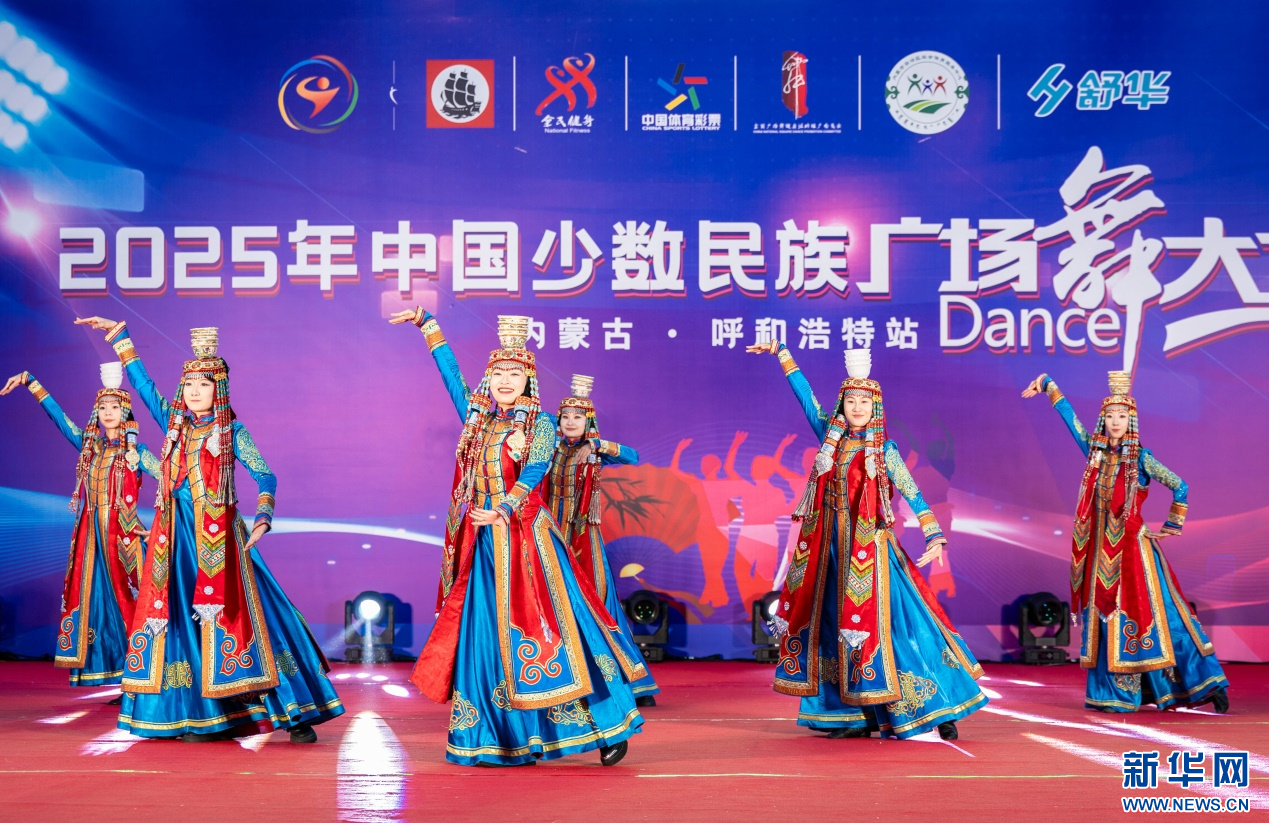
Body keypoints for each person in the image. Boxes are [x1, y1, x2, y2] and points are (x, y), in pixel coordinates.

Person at [391, 309, 646, 766]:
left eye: (514, 373)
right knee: (484, 637)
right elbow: (452, 379)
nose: (505, 381)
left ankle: (607, 726)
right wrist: (429, 326)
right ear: (488, 380)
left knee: (560, 632)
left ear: (528, 381)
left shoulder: (541, 424)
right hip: (485, 545)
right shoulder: (479, 420)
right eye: (498, 373)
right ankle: (496, 736)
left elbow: (536, 468)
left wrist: (505, 507)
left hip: (530, 541)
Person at [75, 317, 344, 742]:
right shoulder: (175, 428)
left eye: (204, 384)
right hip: (176, 540)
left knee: (248, 619)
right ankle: (205, 716)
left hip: (219, 538)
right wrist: (120, 337)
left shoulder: (233, 431)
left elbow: (266, 476)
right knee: (182, 624)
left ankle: (295, 712)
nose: (195, 391)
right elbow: (144, 388)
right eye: (189, 384)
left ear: (218, 390)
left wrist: (263, 517)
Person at [748, 343, 986, 740]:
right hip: (831, 552)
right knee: (834, 629)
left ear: (875, 407)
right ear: (841, 405)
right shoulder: (830, 440)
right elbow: (806, 397)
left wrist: (934, 534)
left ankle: (936, 708)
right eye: (851, 400)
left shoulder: (885, 451)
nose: (857, 407)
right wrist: (782, 354)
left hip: (871, 551)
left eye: (865, 401)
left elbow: (912, 492)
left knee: (895, 630)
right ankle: (853, 716)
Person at [1022, 370, 1229, 713]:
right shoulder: (1095, 453)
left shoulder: (1142, 459)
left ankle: (1206, 683)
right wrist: (1048, 385)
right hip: (1098, 549)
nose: (1115, 422)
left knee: (1163, 617)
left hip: (1135, 552)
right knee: (1105, 617)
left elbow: (1180, 486)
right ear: (1103, 420)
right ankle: (1115, 694)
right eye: (1110, 416)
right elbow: (1072, 422)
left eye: (1122, 416)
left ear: (1131, 421)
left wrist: (1172, 524)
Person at [1, 363, 158, 696]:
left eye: (114, 406)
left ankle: (146, 677)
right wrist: (30, 381)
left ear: (126, 412)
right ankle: (125, 679)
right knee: (98, 606)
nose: (108, 412)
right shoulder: (91, 449)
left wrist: (163, 522)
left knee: (131, 603)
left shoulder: (137, 453)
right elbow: (60, 419)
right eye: (102, 407)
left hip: (124, 538)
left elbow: (172, 482)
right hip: (91, 540)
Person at [542, 374, 660, 707]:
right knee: (553, 603)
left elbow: (633, 457)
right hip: (550, 532)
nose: (570, 422)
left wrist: (597, 445)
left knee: (599, 603)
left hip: (583, 537)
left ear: (588, 422)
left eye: (578, 417)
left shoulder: (594, 452)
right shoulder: (547, 448)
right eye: (565, 416)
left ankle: (631, 682)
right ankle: (566, 680)